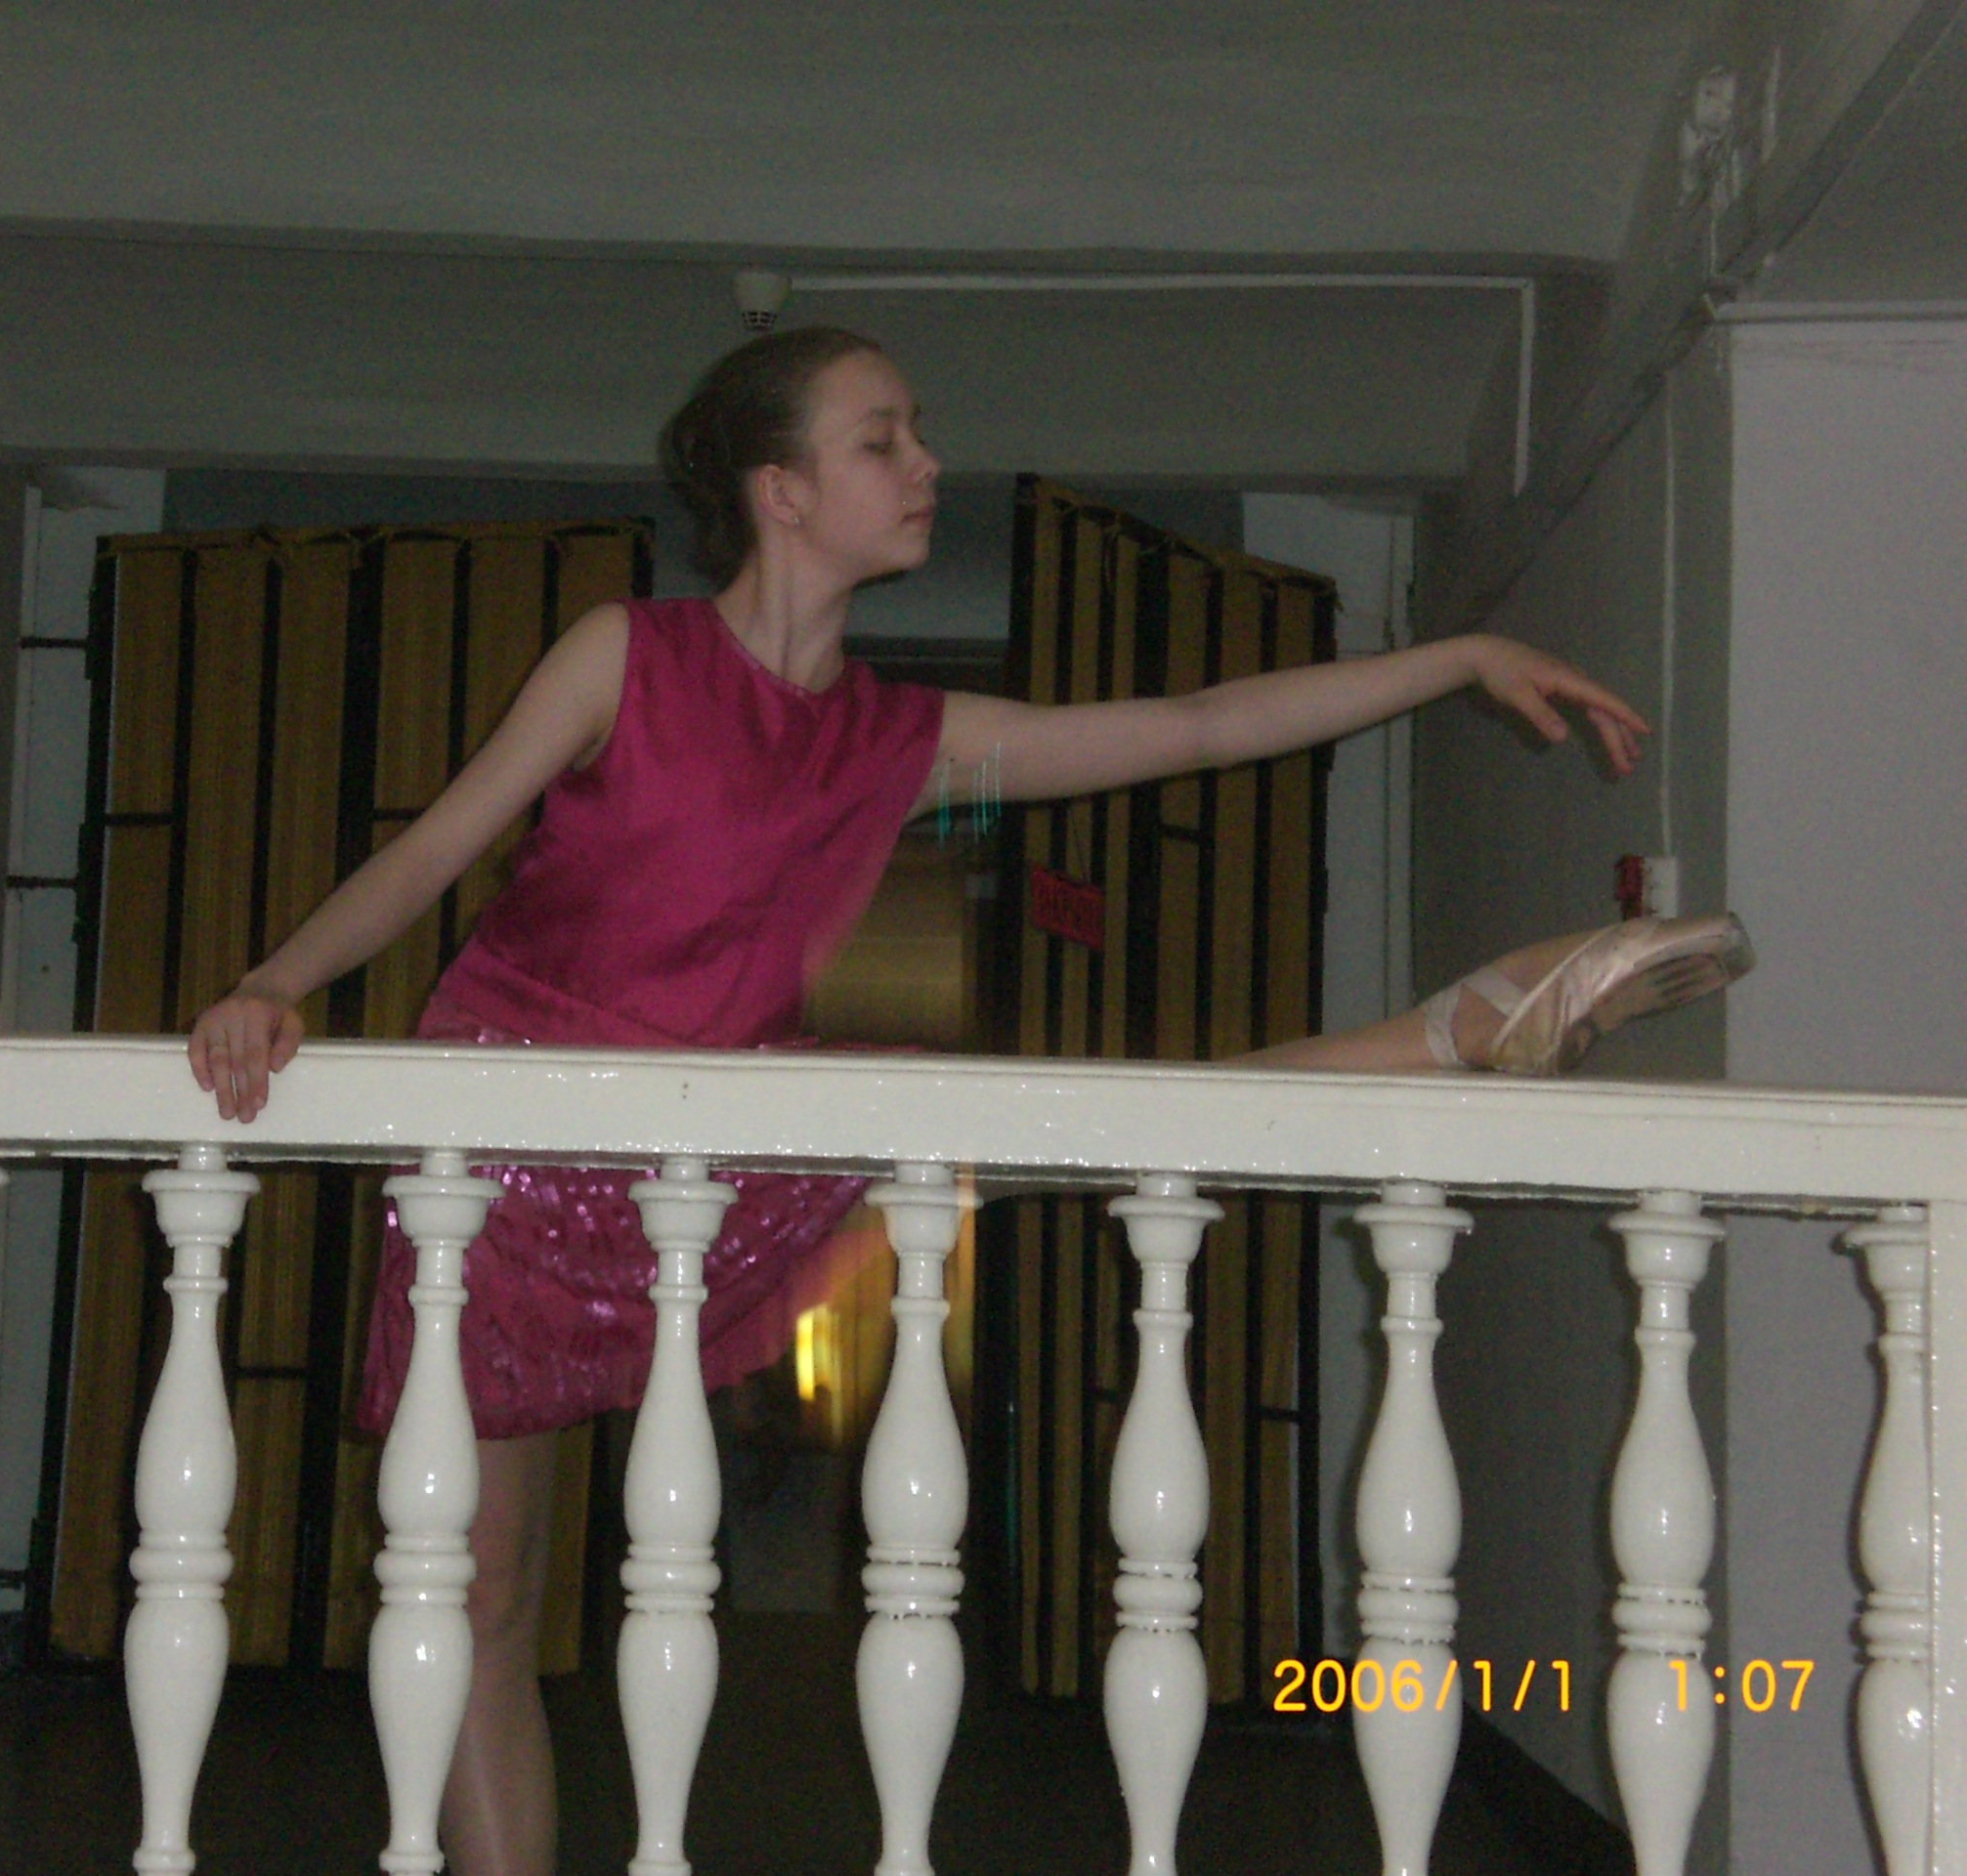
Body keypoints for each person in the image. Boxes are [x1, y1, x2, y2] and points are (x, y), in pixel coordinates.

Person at [186, 325, 1751, 1876]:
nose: (927, 463)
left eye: (917, 433)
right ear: (781, 491)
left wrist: (1457, 660)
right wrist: (275, 981)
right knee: (479, 1594)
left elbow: (1198, 727)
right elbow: (437, 846)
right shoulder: (627, 655)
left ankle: (1453, 1030)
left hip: (718, 1135)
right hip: (504, 1155)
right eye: (882, 439)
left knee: (1041, 1128)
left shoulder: (897, 738)